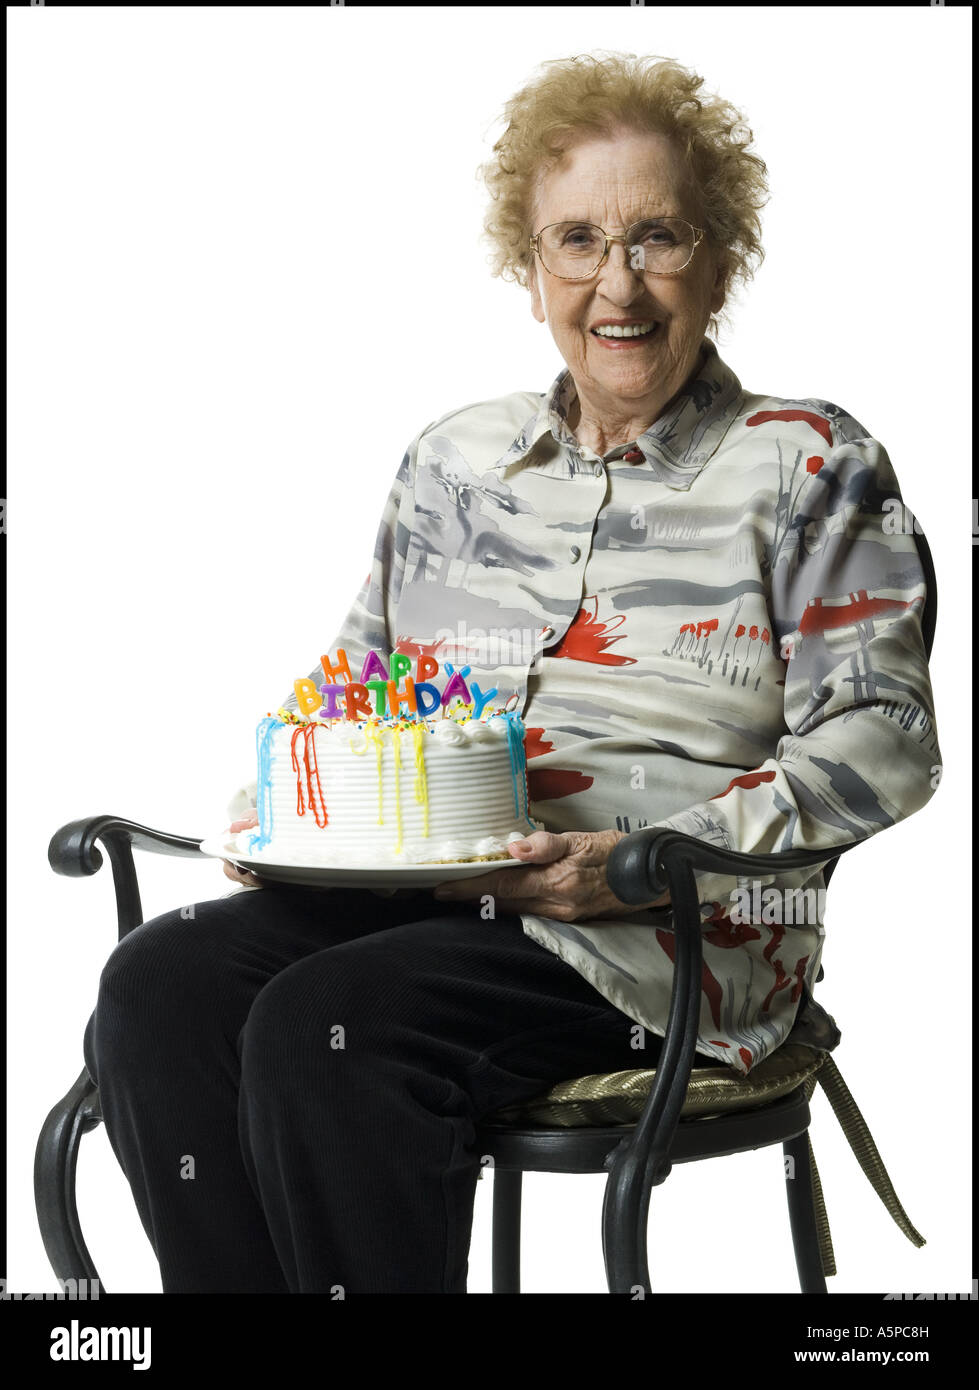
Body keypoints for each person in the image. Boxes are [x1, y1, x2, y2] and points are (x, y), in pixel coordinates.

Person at [84, 52, 940, 1295]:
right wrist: (295, 807)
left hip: (657, 934)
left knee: (332, 1032)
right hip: (430, 900)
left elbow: (885, 737)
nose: (618, 283)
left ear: (722, 256)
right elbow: (356, 680)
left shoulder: (806, 463)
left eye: (657, 235)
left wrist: (642, 860)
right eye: (578, 240)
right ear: (530, 263)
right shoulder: (454, 459)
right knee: (160, 984)